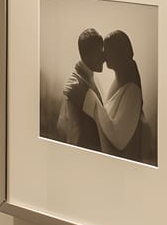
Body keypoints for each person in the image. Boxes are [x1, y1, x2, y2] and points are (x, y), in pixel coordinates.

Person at [66, 29, 148, 160]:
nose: (103, 56)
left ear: (118, 54)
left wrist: (92, 100)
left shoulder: (132, 91)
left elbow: (119, 140)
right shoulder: (117, 81)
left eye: (107, 50)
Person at [56, 28, 105, 149]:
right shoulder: (76, 87)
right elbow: (73, 133)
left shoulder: (89, 78)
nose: (104, 58)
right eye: (99, 52)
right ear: (88, 55)